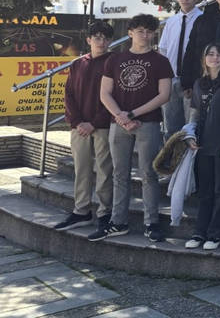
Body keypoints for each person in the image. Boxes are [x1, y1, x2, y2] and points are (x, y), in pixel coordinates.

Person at [90, 14, 173, 243]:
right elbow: (104, 93)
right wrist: (120, 116)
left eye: (149, 31)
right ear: (130, 33)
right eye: (140, 31)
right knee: (119, 174)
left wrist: (133, 114)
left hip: (148, 123)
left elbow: (164, 95)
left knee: (149, 174)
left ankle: (151, 223)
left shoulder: (161, 61)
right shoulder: (115, 60)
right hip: (118, 124)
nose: (144, 35)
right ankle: (118, 221)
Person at [55, 22, 115, 233]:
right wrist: (78, 122)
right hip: (79, 127)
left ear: (110, 41)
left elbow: (116, 97)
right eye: (97, 37)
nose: (101, 42)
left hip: (104, 126)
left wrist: (94, 123)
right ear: (88, 40)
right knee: (81, 169)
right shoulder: (78, 64)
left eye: (105, 38)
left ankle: (105, 212)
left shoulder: (114, 63)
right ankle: (81, 211)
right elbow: (69, 94)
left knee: (104, 171)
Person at [184, 43, 220, 251]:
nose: (215, 58)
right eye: (210, 54)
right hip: (202, 143)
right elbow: (194, 114)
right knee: (205, 191)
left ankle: (216, 232)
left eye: (219, 54)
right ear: (204, 59)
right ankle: (199, 231)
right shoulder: (198, 83)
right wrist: (189, 135)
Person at [159, 0, 202, 138]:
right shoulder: (171, 21)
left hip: (191, 79)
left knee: (190, 125)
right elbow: (163, 50)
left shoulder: (203, 19)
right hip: (171, 78)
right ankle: (171, 154)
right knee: (170, 127)